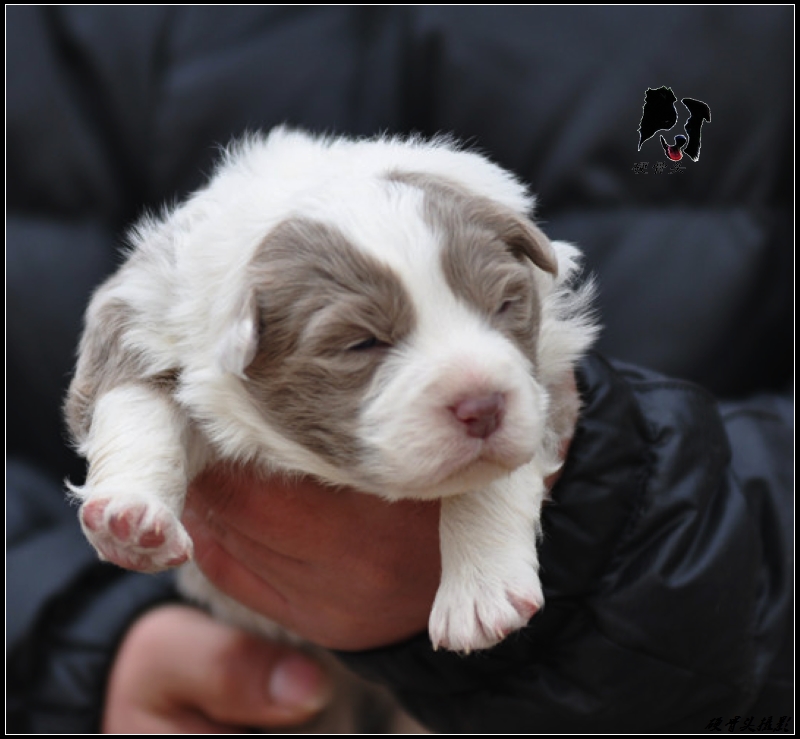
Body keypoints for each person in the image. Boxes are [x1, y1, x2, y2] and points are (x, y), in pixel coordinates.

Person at [7, 6, 792, 733]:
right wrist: (70, 643)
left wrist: (596, 536)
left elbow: (554, 392)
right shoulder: (185, 267)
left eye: (500, 309)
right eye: (364, 343)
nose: (475, 384)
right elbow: (128, 353)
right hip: (222, 683)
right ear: (240, 337)